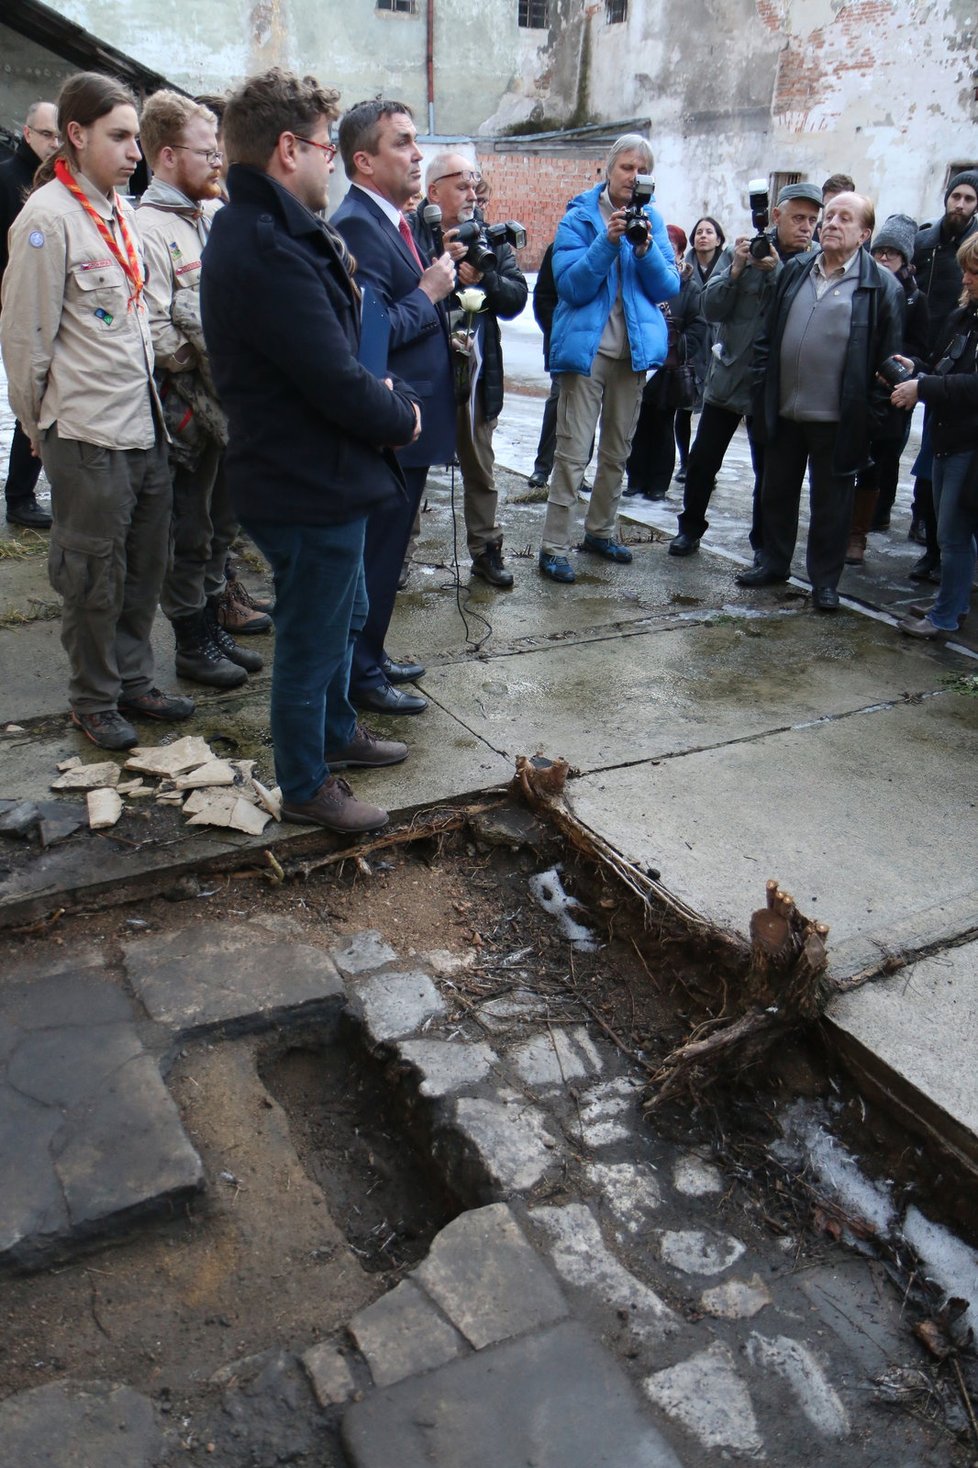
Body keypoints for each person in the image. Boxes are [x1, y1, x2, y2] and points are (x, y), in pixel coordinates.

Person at [200, 67, 420, 833]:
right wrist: (401, 418)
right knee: (312, 633)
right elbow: (330, 376)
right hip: (304, 480)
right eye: (327, 146)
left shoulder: (275, 231)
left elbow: (324, 356)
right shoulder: (266, 245)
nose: (332, 160)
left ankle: (335, 734)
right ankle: (305, 783)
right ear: (289, 149)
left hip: (322, 474)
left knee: (343, 609)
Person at [1, 72, 193, 751]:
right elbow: (24, 341)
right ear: (75, 136)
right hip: (86, 434)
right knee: (91, 575)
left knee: (143, 567)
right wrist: (36, 425)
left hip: (142, 426)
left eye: (136, 138)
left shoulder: (117, 212)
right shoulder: (47, 219)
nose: (134, 151)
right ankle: (93, 697)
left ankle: (134, 680)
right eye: (118, 137)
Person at [332, 99, 456, 716]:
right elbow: (370, 332)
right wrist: (432, 291)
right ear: (365, 159)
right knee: (377, 555)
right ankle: (360, 675)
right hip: (389, 425)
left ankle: (372, 655)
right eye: (402, 143)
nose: (417, 154)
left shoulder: (396, 221)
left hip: (409, 420)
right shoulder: (357, 224)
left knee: (387, 553)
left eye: (415, 141)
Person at [135, 91, 261, 692]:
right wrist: (217, 357)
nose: (218, 163)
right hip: (188, 411)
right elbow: (159, 331)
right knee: (189, 527)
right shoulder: (149, 229)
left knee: (221, 522)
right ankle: (191, 638)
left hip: (229, 406)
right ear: (166, 155)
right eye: (206, 152)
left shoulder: (212, 217)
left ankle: (213, 622)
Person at [739, 193, 903, 610]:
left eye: (844, 218)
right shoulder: (795, 270)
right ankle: (773, 562)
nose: (830, 223)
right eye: (829, 217)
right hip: (786, 408)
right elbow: (766, 338)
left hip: (838, 417)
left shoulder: (880, 286)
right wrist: (762, 392)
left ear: (864, 234)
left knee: (831, 504)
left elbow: (887, 364)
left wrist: (870, 419)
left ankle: (825, 582)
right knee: (776, 492)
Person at [538, 133, 678, 584]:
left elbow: (668, 287)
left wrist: (644, 248)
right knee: (573, 452)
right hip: (588, 353)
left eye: (642, 170)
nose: (633, 177)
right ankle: (554, 546)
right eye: (626, 168)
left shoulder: (652, 220)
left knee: (618, 451)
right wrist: (608, 241)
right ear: (608, 169)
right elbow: (572, 286)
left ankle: (601, 530)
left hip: (631, 355)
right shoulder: (579, 217)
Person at [668, 182, 822, 558]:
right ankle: (689, 528)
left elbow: (802, 309)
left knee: (767, 472)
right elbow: (711, 309)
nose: (806, 227)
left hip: (774, 383)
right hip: (730, 373)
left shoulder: (814, 261)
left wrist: (776, 270)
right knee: (703, 462)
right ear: (776, 217)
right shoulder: (743, 251)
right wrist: (735, 269)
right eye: (798, 217)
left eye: (812, 220)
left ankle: (762, 545)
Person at [415, 152, 528, 587]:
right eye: (460, 185)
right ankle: (400, 555)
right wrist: (438, 260)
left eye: (473, 184)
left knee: (480, 465)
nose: (470, 193)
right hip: (426, 372)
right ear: (435, 191)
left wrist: (485, 280)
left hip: (477, 372)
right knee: (413, 465)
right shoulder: (414, 233)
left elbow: (517, 298)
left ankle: (486, 551)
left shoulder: (490, 237)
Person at [895, 234, 978, 641]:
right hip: (948, 437)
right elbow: (945, 369)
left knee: (954, 534)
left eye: (974, 271)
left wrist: (922, 388)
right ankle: (953, 603)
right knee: (953, 532)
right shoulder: (964, 317)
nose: (965, 278)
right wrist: (916, 367)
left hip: (968, 443)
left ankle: (945, 615)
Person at [845, 214, 929, 561]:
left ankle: (858, 535)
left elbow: (921, 352)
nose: (883, 259)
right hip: (857, 390)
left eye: (892, 254)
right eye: (880, 252)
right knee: (848, 460)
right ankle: (840, 526)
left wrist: (900, 367)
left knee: (876, 464)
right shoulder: (862, 288)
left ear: (905, 260)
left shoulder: (914, 300)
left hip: (893, 395)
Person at [907, 171, 978, 558]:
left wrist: (925, 383)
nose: (961, 204)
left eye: (969, 198)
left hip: (960, 390)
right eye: (957, 196)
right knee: (931, 463)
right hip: (938, 352)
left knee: (959, 504)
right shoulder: (925, 244)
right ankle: (927, 532)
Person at [0, 100, 60, 528]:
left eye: (58, 135)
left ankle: (21, 495)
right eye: (46, 135)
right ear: (27, 133)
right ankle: (19, 496)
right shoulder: (6, 178)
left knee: (34, 394)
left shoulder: (51, 184)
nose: (53, 143)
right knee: (26, 393)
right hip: (8, 302)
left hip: (29, 306)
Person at [624, 225, 706, 500]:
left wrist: (680, 348)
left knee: (662, 424)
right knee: (638, 423)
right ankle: (635, 478)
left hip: (671, 366)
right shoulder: (648, 276)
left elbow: (699, 325)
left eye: (672, 244)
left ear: (681, 251)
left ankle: (659, 483)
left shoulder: (689, 286)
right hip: (644, 360)